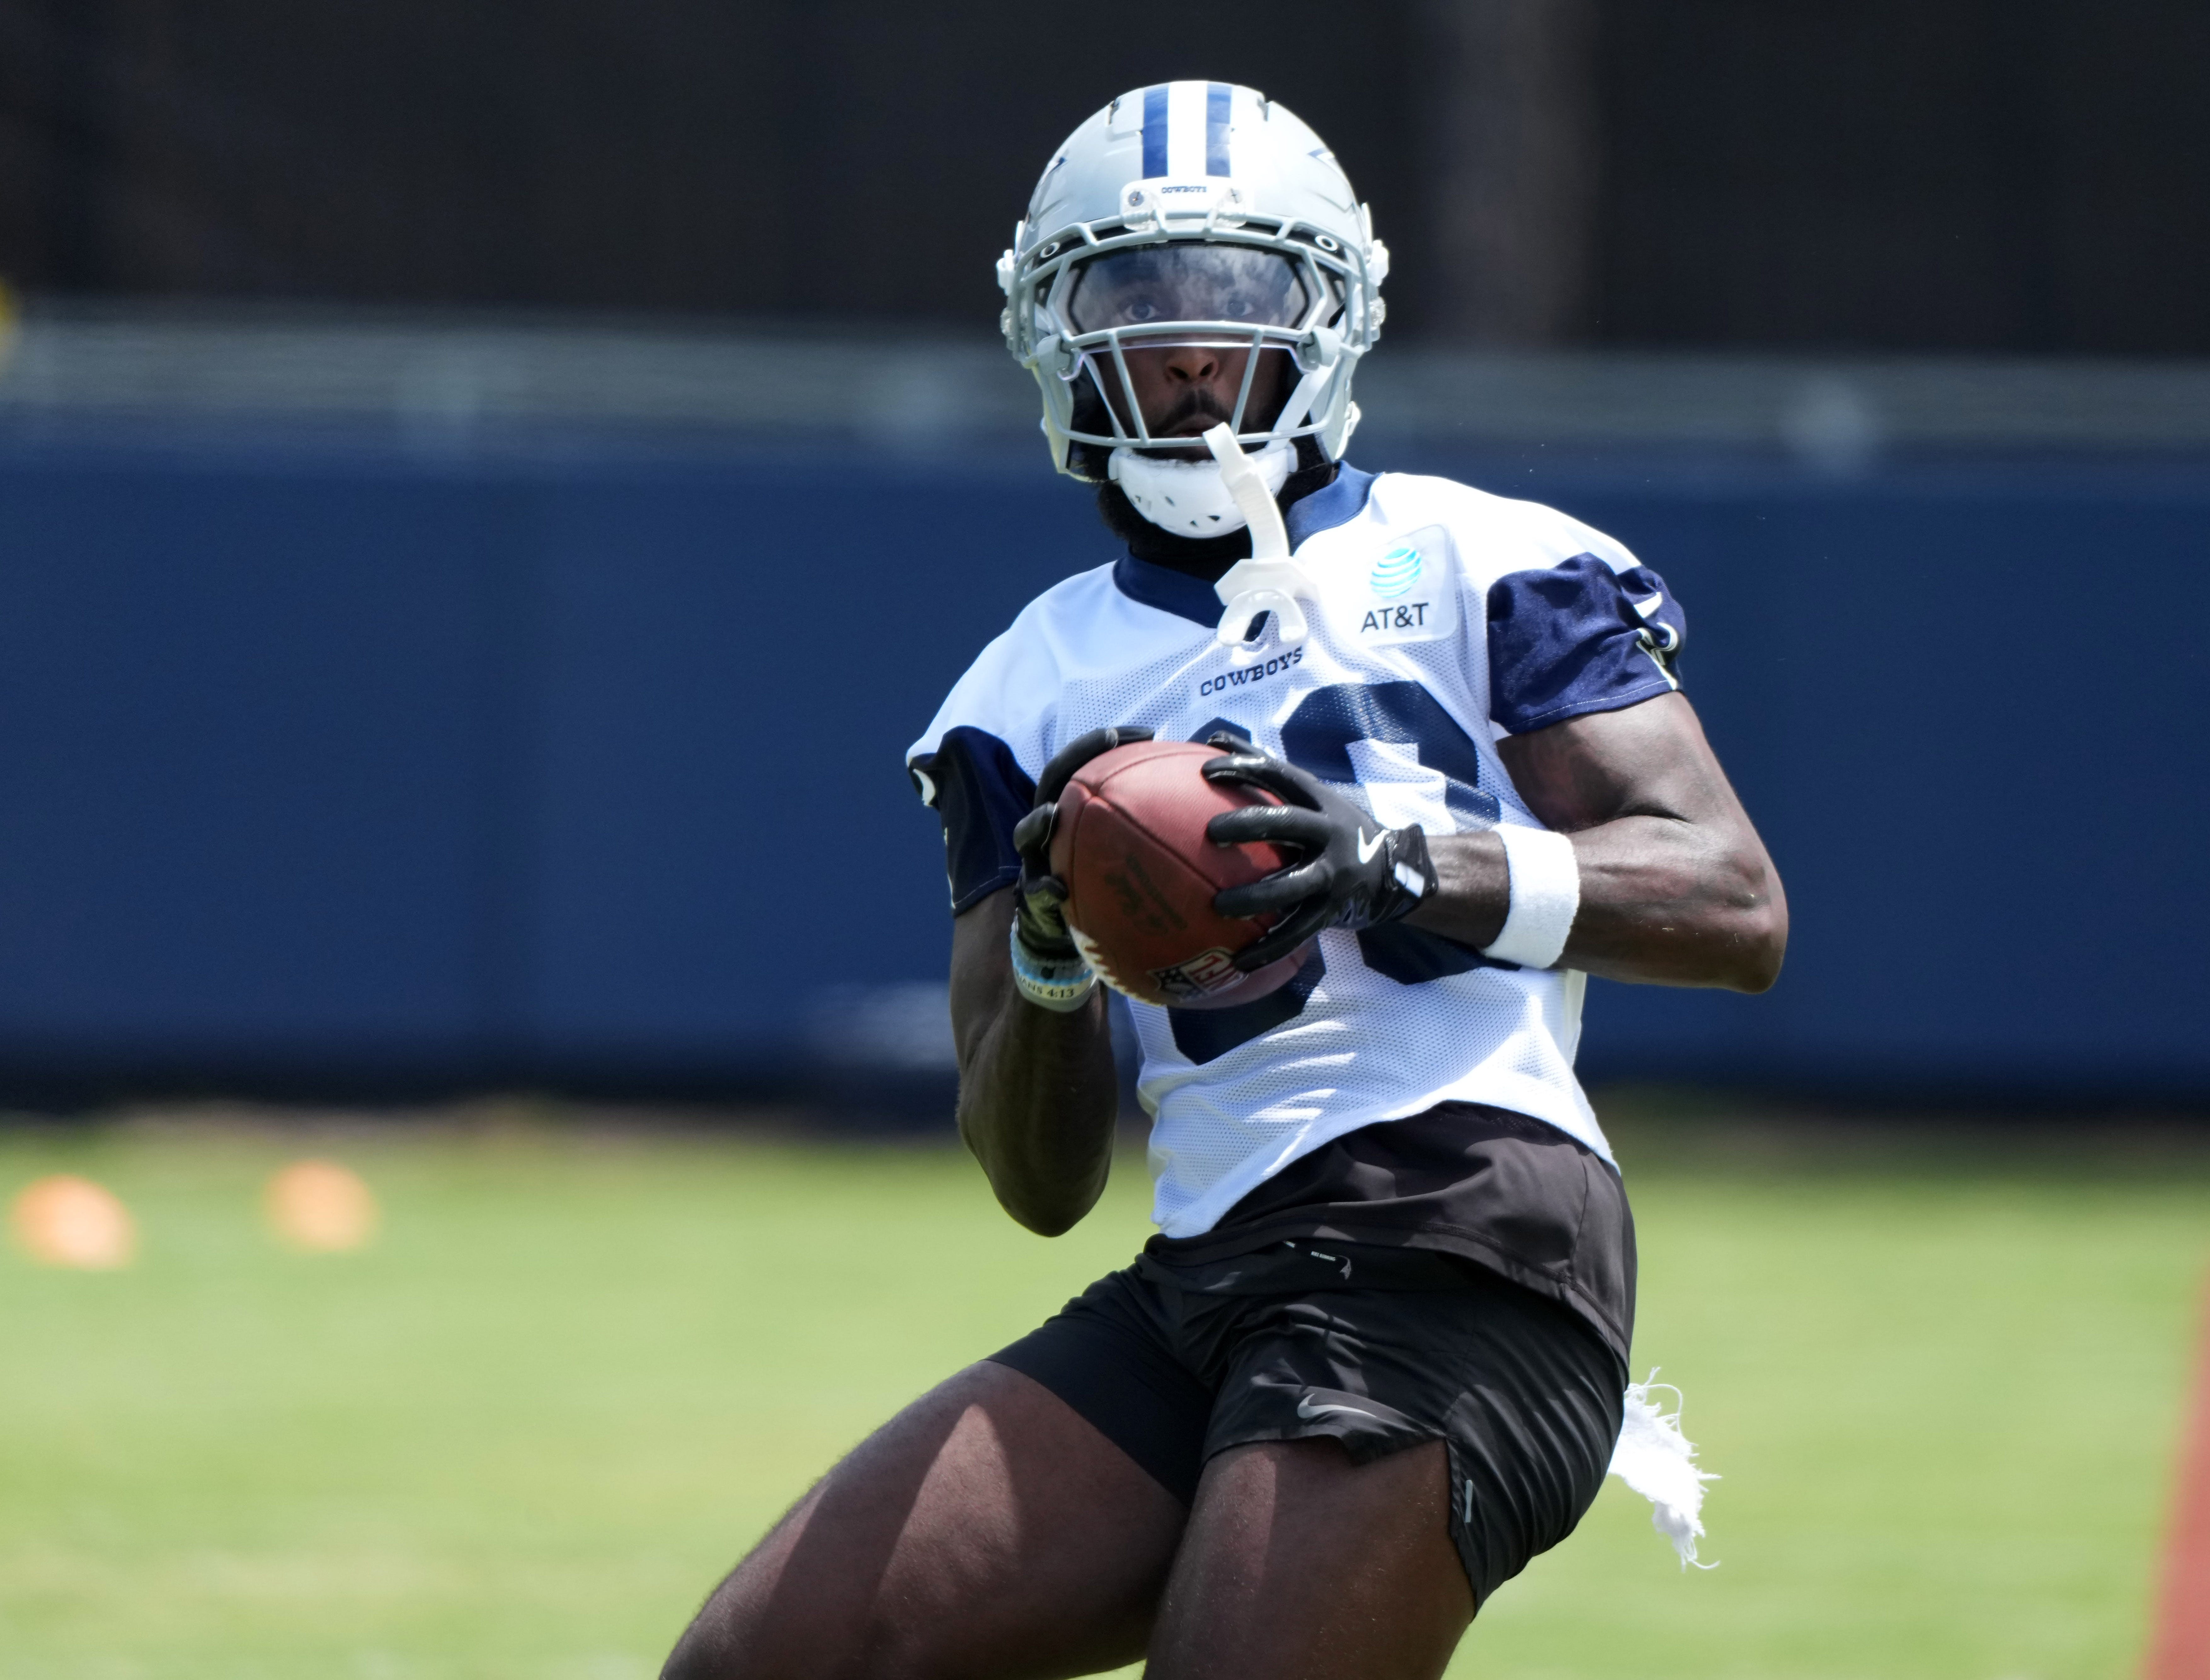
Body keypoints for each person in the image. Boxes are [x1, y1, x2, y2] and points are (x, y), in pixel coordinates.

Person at [663, 81, 1785, 1680]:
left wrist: (1394, 857)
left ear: (1326, 315)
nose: (1189, 350)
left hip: (1467, 1225)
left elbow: (1733, 904)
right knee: (764, 1662)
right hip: (1210, 1267)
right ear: (1060, 335)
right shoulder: (1022, 687)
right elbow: (1039, 1181)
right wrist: (1054, 949)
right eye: (1137, 300)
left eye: (1236, 294)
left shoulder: (1488, 557)